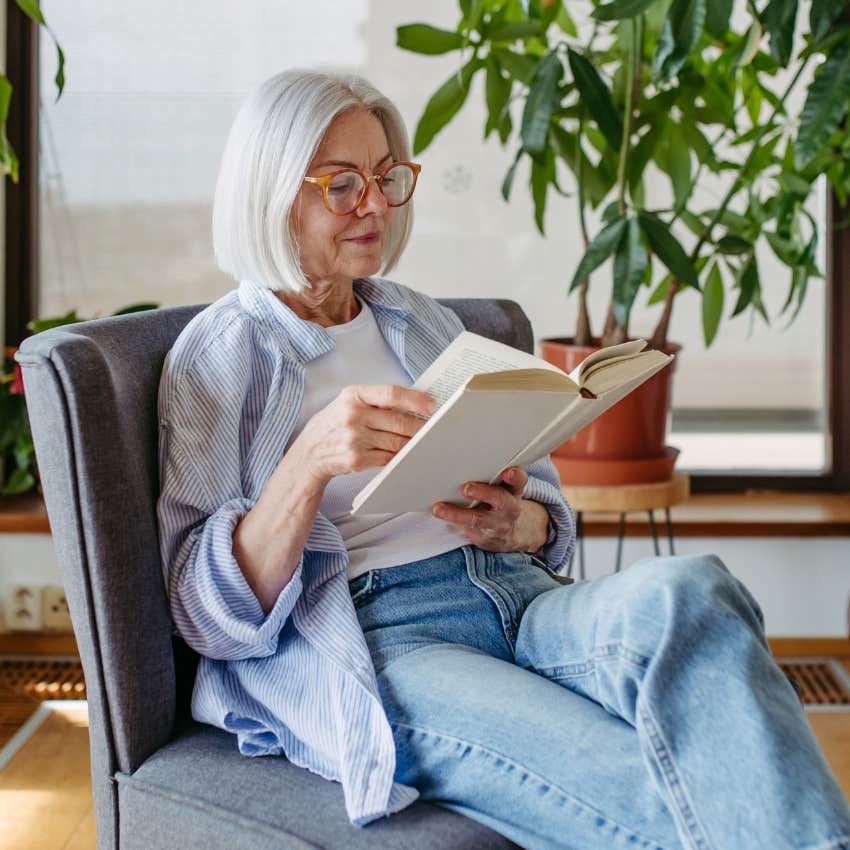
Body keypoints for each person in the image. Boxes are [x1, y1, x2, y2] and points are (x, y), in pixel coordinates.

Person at [157, 69, 850, 850]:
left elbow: (545, 508)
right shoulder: (219, 358)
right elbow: (200, 614)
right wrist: (307, 464)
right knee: (648, 782)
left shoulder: (418, 318)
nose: (378, 205)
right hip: (386, 637)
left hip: (519, 598)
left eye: (387, 178)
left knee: (697, 592)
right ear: (271, 191)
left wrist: (518, 520)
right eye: (343, 184)